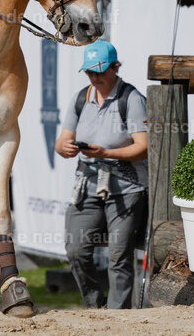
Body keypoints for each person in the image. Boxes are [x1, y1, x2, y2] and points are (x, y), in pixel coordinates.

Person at [55, 40, 148, 310]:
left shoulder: (131, 99)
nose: (95, 78)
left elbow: (143, 148)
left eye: (101, 72)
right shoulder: (80, 98)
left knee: (119, 257)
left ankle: (118, 317)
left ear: (115, 67)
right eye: (90, 73)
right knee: (76, 250)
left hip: (127, 188)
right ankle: (96, 308)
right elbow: (60, 143)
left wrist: (106, 153)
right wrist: (67, 148)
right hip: (87, 185)